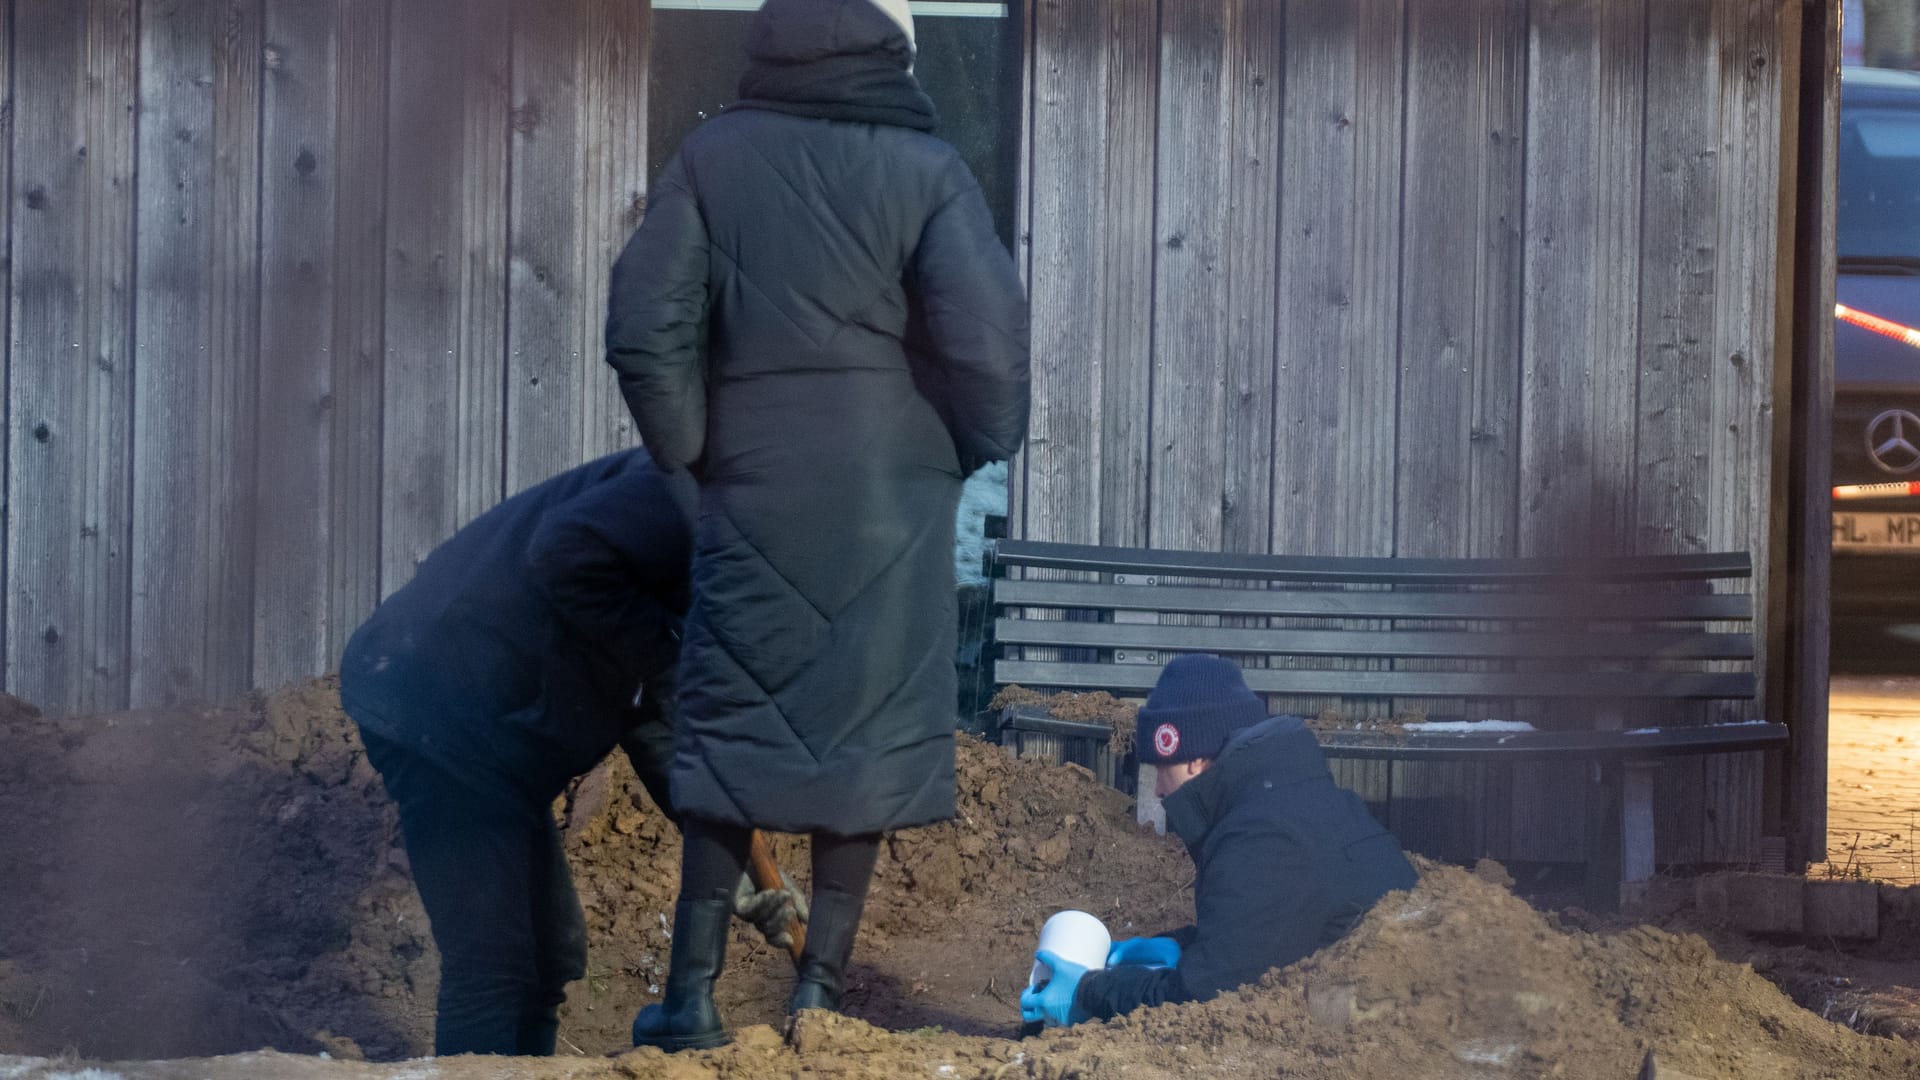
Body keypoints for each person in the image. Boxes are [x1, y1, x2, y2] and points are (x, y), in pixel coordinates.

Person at [603, 0, 1031, 1052]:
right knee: (867, 733)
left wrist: (698, 454)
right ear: (896, 50)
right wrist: (961, 450)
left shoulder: (712, 157)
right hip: (891, 489)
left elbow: (642, 328)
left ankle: (692, 999)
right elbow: (990, 351)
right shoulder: (929, 170)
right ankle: (819, 999)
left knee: (732, 727)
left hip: (752, 481)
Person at [338, 449, 800, 1056]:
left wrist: (731, 854)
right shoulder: (693, 499)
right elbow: (563, 555)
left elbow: (655, 724)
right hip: (433, 699)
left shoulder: (718, 553)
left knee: (552, 952)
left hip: (496, 727)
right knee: (493, 958)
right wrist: (673, 661)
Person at [1020, 654, 1418, 1028]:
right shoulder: (1288, 802)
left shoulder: (1263, 838)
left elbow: (1204, 999)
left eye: (1162, 766)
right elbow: (1272, 935)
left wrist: (1088, 993)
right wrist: (1180, 945)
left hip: (1381, 1028)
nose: (1158, 788)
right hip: (1387, 997)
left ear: (1195, 758)